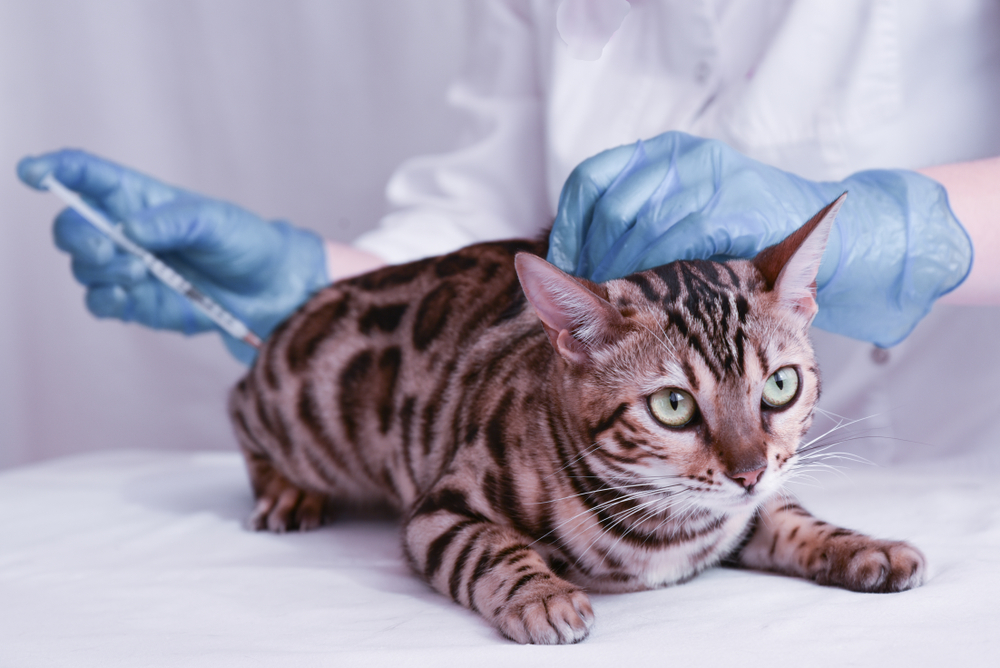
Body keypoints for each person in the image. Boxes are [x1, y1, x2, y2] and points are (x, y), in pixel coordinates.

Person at [16, 0, 1000, 365]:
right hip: (648, 519)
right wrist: (321, 292)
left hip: (953, 512)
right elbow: (484, 231)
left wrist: (895, 229)